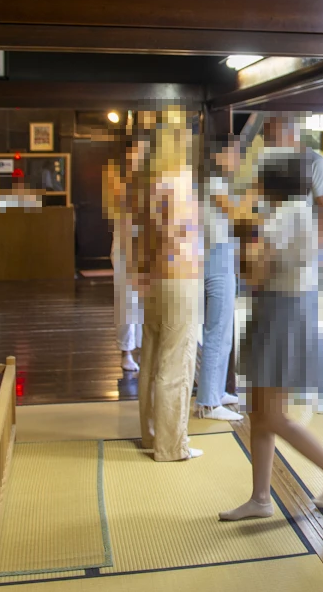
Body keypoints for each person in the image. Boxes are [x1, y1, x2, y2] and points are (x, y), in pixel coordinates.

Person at [219, 153, 323, 521]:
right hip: (280, 310)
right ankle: (261, 498)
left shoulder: (283, 217)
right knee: (261, 414)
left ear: (270, 184)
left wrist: (245, 230)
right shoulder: (297, 213)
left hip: (281, 312)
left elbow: (256, 274)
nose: (254, 187)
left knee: (271, 415)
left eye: (258, 181)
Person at [129, 106, 204, 462]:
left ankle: (150, 434)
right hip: (181, 277)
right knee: (177, 360)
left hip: (155, 278)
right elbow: (179, 233)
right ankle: (172, 446)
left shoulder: (148, 181)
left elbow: (143, 237)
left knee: (152, 357)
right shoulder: (181, 179)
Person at [261, 117, 323, 414]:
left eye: (271, 136)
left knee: (305, 322)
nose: (267, 143)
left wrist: (315, 247)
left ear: (290, 135)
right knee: (284, 322)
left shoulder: (315, 163)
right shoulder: (274, 164)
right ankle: (300, 385)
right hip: (276, 254)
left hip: (302, 253)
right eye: (266, 137)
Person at [195, 133, 245, 422]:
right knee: (217, 331)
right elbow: (242, 216)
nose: (238, 159)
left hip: (218, 256)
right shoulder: (213, 183)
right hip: (216, 257)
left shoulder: (213, 182)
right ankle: (209, 402)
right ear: (218, 156)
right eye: (235, 153)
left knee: (222, 331)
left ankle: (214, 392)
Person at [107, 133, 146, 373]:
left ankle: (142, 348)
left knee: (145, 303)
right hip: (126, 248)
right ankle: (126, 351)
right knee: (127, 302)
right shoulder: (120, 182)